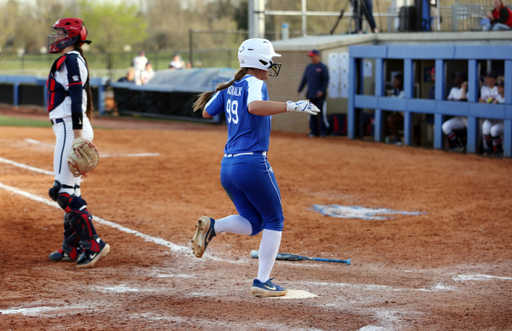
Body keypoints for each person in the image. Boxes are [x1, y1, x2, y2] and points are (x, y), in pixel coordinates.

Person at [191, 38, 320, 298]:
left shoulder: (233, 84)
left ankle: (215, 226)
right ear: (260, 61)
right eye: (270, 59)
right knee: (275, 220)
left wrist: (228, 90)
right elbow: (254, 107)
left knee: (254, 222)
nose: (273, 63)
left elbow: (207, 112)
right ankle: (263, 281)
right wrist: (293, 106)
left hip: (228, 166)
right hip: (251, 162)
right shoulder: (255, 83)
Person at [46, 18, 110, 268]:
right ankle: (71, 247)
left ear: (71, 36)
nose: (56, 36)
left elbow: (75, 99)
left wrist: (78, 136)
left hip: (71, 129)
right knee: (70, 191)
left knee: (61, 191)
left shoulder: (72, 58)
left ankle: (94, 244)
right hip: (69, 128)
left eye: (60, 32)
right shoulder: (71, 58)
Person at [297, 49, 329, 138]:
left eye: (313, 56)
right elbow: (304, 79)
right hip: (310, 94)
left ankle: (323, 132)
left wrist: (322, 91)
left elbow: (326, 80)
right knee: (312, 114)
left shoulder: (323, 67)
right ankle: (314, 132)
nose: (311, 58)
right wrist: (299, 89)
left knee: (322, 114)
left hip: (320, 96)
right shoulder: (309, 67)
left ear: (318, 56)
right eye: (310, 57)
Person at [442, 71, 469, 152]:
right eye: (455, 77)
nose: (455, 79)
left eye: (457, 77)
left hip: (468, 118)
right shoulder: (453, 90)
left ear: (462, 79)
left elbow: (463, 103)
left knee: (474, 135)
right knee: (445, 126)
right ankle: (458, 145)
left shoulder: (468, 90)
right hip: (460, 118)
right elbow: (449, 102)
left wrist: (464, 89)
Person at [482, 79, 505, 156]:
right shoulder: (497, 97)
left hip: (505, 122)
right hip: (496, 120)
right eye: (498, 86)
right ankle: (489, 149)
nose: (499, 88)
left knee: (494, 129)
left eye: (501, 87)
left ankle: (499, 150)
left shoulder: (509, 97)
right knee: (485, 126)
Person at [386, 73, 404, 145]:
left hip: (409, 114)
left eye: (395, 81)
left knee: (390, 119)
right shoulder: (395, 89)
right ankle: (397, 139)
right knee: (389, 118)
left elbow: (399, 100)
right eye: (393, 81)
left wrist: (391, 96)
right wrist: (390, 95)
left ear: (401, 82)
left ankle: (398, 139)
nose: (394, 83)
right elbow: (389, 98)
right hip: (401, 113)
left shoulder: (404, 89)